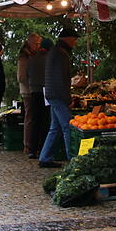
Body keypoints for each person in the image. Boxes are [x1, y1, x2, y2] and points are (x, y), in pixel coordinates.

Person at [38, 25, 79, 168]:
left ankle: (45, 157)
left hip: (52, 93)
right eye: (74, 39)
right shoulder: (61, 53)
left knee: (55, 128)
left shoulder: (55, 51)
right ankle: (72, 159)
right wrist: (68, 99)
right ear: (67, 39)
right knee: (68, 127)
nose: (75, 42)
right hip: (57, 95)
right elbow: (62, 78)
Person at [27, 38, 53, 159]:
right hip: (45, 92)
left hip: (33, 92)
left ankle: (32, 149)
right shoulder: (49, 59)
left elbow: (27, 74)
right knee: (45, 121)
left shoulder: (31, 59)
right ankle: (43, 148)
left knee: (34, 121)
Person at [17, 33, 41, 153]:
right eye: (36, 43)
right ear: (30, 44)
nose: (38, 46)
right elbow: (21, 77)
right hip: (28, 91)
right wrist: (33, 83)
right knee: (30, 118)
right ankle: (27, 144)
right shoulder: (24, 57)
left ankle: (32, 143)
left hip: (33, 90)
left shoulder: (32, 55)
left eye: (39, 43)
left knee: (32, 117)